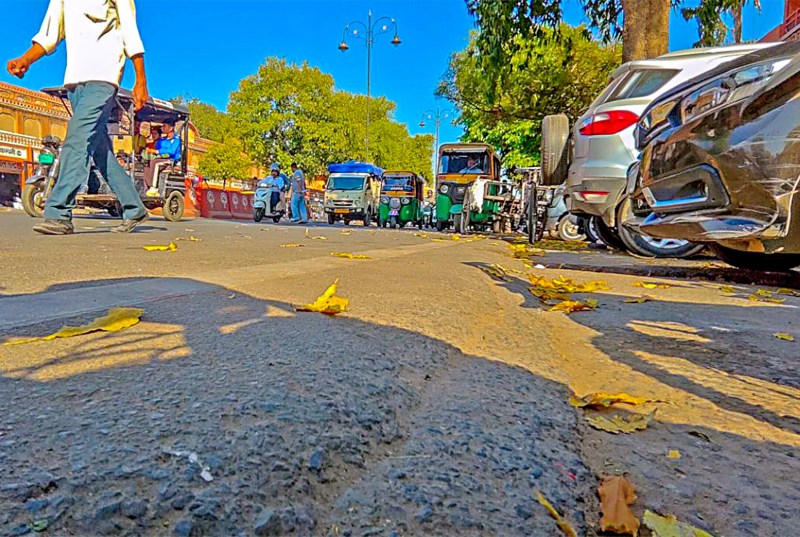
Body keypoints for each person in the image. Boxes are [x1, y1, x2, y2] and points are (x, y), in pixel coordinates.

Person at [8, 0, 150, 234]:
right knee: (100, 151)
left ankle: (59, 213)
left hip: (104, 77)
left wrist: (141, 80)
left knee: (76, 139)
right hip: (75, 83)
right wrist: (26, 59)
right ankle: (134, 208)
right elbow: (49, 34)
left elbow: (130, 31)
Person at [147, 121, 181, 197]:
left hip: (171, 161)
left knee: (155, 163)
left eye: (164, 126)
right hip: (161, 158)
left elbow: (172, 151)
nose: (162, 128)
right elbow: (158, 148)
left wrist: (158, 151)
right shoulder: (162, 140)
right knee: (146, 163)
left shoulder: (177, 140)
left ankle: (153, 187)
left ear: (171, 128)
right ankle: (146, 186)